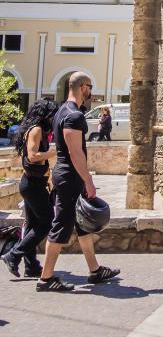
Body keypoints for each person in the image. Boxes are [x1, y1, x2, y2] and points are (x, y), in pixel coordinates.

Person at [36, 72, 119, 292]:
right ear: (82, 87)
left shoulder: (62, 110)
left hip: (66, 174)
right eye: (90, 87)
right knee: (61, 225)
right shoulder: (74, 115)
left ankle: (95, 270)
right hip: (70, 176)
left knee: (82, 224)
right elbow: (75, 153)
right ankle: (46, 278)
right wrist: (88, 180)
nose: (91, 91)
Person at [1, 100, 57, 278]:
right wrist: (54, 152)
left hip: (33, 183)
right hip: (33, 185)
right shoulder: (36, 129)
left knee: (33, 224)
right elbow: (33, 156)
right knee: (47, 223)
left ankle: (31, 266)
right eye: (52, 114)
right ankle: (14, 254)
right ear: (45, 114)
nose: (54, 118)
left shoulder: (35, 128)